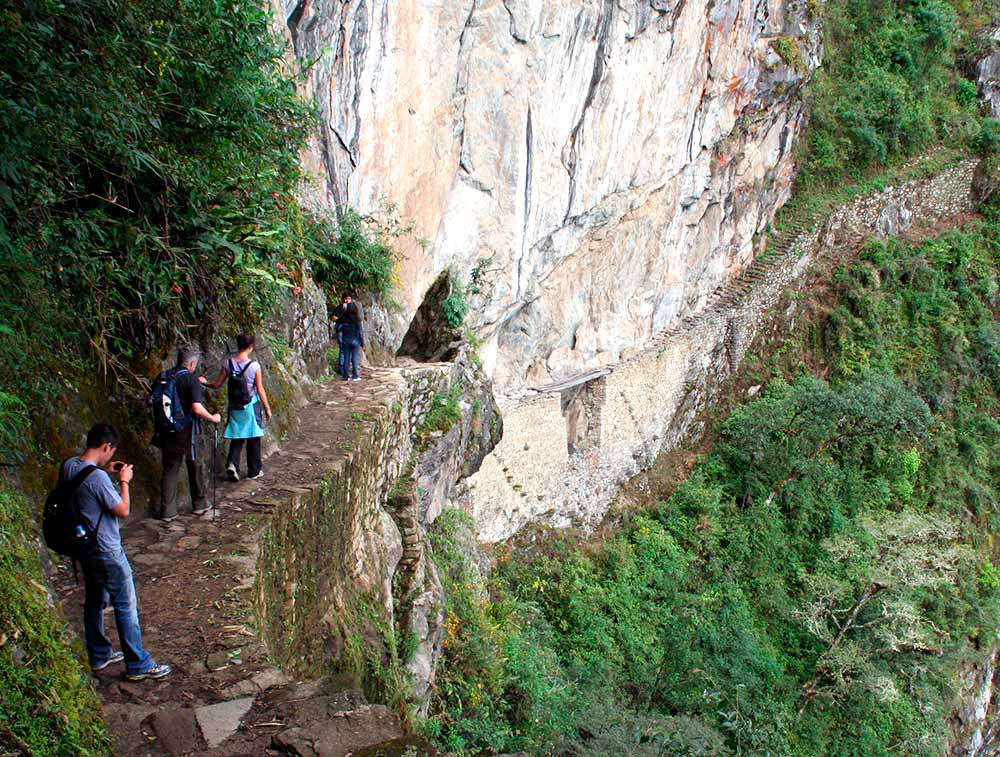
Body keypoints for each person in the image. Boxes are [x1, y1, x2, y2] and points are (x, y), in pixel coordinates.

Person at [62, 423, 171, 680]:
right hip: (107, 548)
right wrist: (124, 482)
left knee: (95, 600)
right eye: (111, 451)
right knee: (125, 604)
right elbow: (122, 510)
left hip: (85, 547)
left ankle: (99, 655)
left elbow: (85, 490)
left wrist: (104, 472)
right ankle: (138, 663)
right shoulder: (98, 478)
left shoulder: (69, 466)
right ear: (105, 447)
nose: (112, 456)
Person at [153, 345, 221, 522]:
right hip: (187, 431)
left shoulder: (164, 376)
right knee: (195, 465)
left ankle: (168, 511)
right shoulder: (190, 380)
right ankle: (199, 504)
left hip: (166, 429)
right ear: (191, 363)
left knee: (170, 469)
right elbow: (197, 408)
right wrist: (213, 418)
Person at [201, 334, 273, 481]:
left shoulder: (228, 364)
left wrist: (204, 382)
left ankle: (233, 464)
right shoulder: (254, 366)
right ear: (251, 346)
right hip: (251, 406)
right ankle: (254, 471)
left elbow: (217, 384)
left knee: (237, 435)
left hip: (235, 406)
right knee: (254, 437)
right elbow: (260, 389)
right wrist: (267, 408)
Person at [340, 301, 364, 381]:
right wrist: (362, 343)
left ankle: (345, 376)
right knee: (355, 358)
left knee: (346, 358)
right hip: (355, 341)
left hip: (345, 340)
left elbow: (338, 328)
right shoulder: (357, 319)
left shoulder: (343, 318)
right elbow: (360, 332)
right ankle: (355, 376)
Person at [331, 292, 351, 379]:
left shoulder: (352, 308)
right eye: (346, 299)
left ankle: (345, 367)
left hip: (349, 331)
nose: (348, 300)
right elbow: (333, 317)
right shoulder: (339, 307)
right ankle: (341, 367)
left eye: (349, 299)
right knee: (343, 348)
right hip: (341, 330)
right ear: (343, 299)